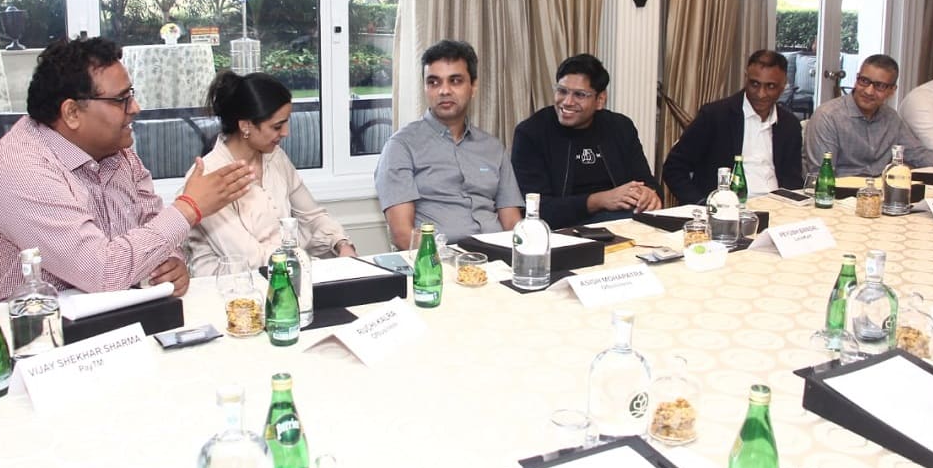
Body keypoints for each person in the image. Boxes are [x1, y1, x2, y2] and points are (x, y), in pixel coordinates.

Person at [0, 37, 255, 306]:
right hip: (12, 335)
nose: (135, 107)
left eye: (131, 94)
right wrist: (189, 208)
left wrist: (170, 264)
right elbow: (103, 270)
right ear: (72, 113)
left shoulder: (117, 152)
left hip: (105, 320)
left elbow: (152, 225)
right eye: (121, 100)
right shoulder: (21, 171)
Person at [186, 71, 356, 275]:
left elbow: (312, 217)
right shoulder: (208, 177)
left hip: (284, 278)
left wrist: (341, 244)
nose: (286, 132)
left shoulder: (276, 158)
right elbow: (247, 257)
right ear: (245, 126)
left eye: (286, 122)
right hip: (229, 293)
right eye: (277, 126)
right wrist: (307, 263)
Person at [375, 40, 523, 249]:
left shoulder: (492, 147)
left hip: (498, 259)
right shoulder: (401, 147)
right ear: (425, 88)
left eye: (455, 81)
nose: (444, 91)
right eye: (434, 82)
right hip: (439, 263)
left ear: (473, 87)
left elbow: (512, 223)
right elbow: (402, 235)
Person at [510, 54, 661, 229]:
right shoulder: (531, 133)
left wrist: (649, 195)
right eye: (562, 91)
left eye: (579, 95)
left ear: (600, 100)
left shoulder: (620, 127)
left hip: (624, 223)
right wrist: (599, 200)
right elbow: (537, 209)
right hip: (564, 231)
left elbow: (646, 182)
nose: (567, 102)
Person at [663, 50, 803, 204]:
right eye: (754, 84)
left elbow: (793, 181)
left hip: (778, 208)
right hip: (726, 210)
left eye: (770, 86)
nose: (761, 94)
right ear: (746, 78)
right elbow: (673, 167)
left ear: (783, 86)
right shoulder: (716, 116)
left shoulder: (789, 125)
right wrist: (701, 203)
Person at [804, 53, 933, 176]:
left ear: (892, 90)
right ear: (857, 78)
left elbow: (918, 155)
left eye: (879, 86)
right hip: (839, 197)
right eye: (864, 81)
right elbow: (821, 174)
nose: (868, 91)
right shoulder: (828, 116)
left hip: (881, 196)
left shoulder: (891, 118)